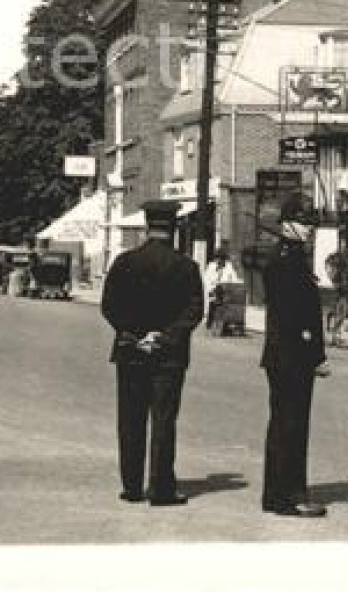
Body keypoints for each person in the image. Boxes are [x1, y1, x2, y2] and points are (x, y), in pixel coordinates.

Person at [100, 199, 205, 506]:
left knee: (131, 419)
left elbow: (109, 306)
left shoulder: (125, 263)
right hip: (169, 357)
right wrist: (163, 337)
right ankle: (161, 489)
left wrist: (134, 335)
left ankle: (131, 487)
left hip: (131, 352)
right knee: (163, 420)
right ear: (173, 229)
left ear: (147, 226)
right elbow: (194, 311)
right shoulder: (187, 267)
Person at [260, 220, 330, 517]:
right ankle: (291, 497)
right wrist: (313, 355)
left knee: (282, 426)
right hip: (292, 356)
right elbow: (295, 315)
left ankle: (275, 495)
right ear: (287, 224)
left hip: (285, 355)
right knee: (292, 426)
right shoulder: (287, 262)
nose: (310, 227)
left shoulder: (287, 258)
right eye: (303, 221)